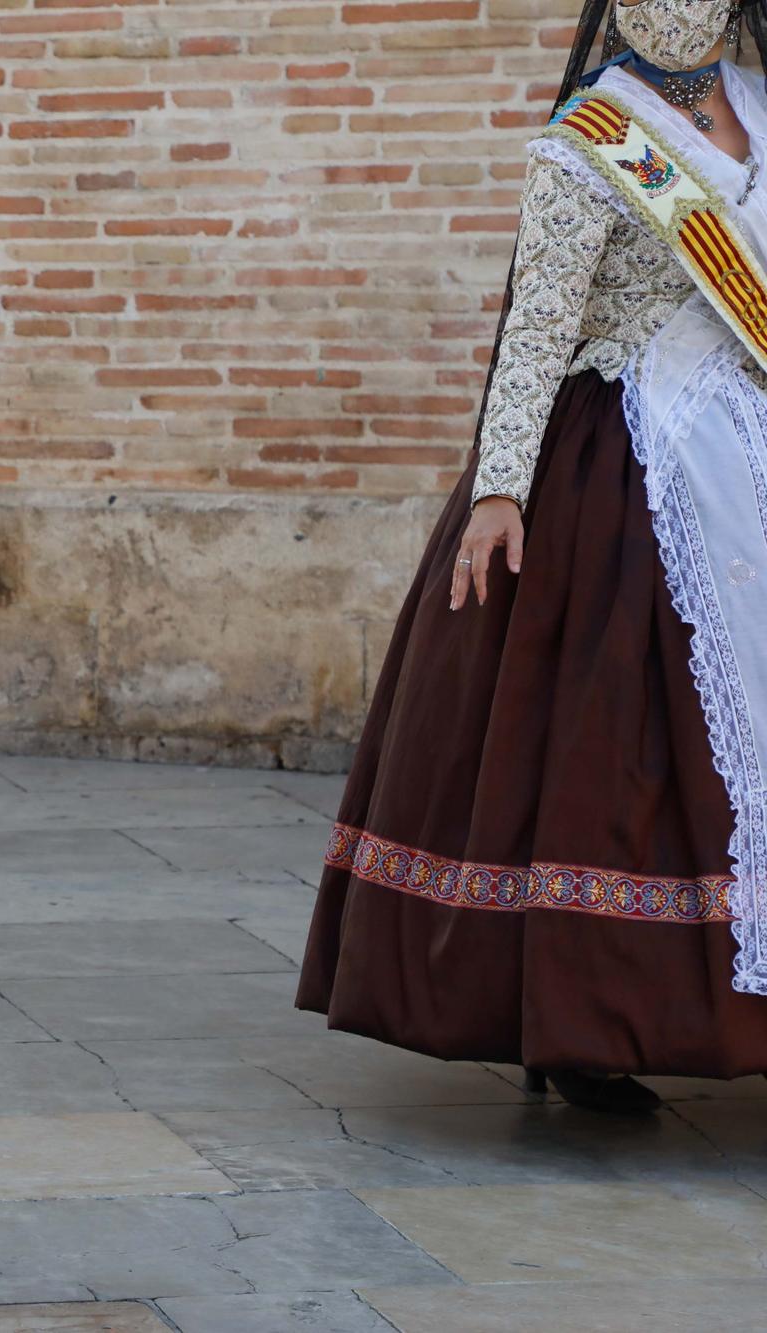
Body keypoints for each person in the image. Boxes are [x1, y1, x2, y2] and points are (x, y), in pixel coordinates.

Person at [300, 0, 767, 1112]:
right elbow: (537, 327)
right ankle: (578, 1022)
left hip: (747, 435)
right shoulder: (586, 140)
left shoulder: (758, 104)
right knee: (610, 750)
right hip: (629, 459)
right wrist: (501, 488)